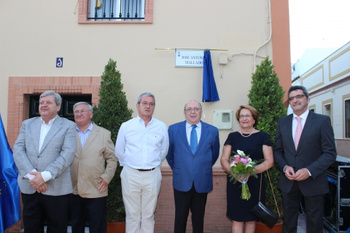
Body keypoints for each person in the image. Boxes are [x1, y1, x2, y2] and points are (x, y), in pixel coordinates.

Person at [274, 85, 336, 233]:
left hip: (313, 181)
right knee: (288, 222)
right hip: (289, 182)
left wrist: (309, 170)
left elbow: (330, 153)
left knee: (315, 224)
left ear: (308, 99)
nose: (295, 100)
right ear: (289, 102)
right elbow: (277, 150)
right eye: (291, 98)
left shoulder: (322, 121)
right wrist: (284, 167)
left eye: (299, 96)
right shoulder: (283, 122)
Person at [13, 90, 77, 233]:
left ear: (58, 107)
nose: (43, 105)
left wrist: (45, 176)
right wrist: (34, 176)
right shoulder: (27, 124)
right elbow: (18, 150)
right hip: (30, 186)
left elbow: (67, 154)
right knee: (31, 227)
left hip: (57, 188)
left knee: (57, 228)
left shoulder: (68, 126)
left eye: (48, 102)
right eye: (41, 102)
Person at [115, 92, 169, 233]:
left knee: (148, 214)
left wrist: (152, 163)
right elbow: (119, 150)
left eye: (151, 104)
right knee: (132, 214)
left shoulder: (161, 126)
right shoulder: (127, 126)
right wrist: (130, 164)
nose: (148, 106)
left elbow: (163, 150)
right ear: (138, 105)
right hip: (130, 174)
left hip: (152, 174)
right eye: (144, 103)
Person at [166, 100, 220, 233]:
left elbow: (214, 154)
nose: (193, 112)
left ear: (201, 112)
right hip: (181, 179)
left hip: (202, 180)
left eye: (196, 109)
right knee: (180, 218)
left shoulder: (212, 130)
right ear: (184, 112)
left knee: (198, 219)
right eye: (189, 109)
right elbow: (169, 153)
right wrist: (179, 168)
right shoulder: (173, 129)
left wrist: (201, 167)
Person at [220, 105, 274, 233]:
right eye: (241, 116)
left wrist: (249, 172)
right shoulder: (232, 136)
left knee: (251, 219)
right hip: (235, 182)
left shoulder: (263, 136)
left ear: (254, 119)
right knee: (237, 218)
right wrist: (235, 173)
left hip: (255, 182)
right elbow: (224, 159)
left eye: (247, 116)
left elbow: (269, 161)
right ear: (238, 119)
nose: (244, 119)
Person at [69, 102, 118, 233]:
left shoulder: (103, 134)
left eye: (82, 111)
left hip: (96, 188)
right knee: (76, 225)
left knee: (97, 226)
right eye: (76, 112)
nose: (79, 114)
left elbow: (112, 159)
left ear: (90, 114)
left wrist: (106, 177)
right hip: (74, 188)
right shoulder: (68, 133)